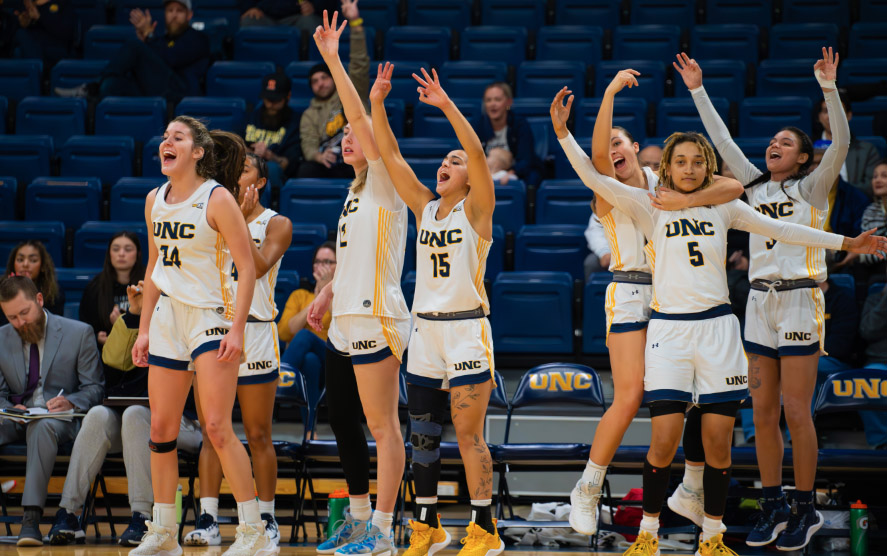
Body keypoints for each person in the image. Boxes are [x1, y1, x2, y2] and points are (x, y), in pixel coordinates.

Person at [553, 88, 886, 555]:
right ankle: (647, 534)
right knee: (664, 440)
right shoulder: (650, 204)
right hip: (668, 329)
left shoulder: (726, 205)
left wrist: (851, 241)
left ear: (707, 168)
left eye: (696, 161)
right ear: (666, 169)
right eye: (681, 161)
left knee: (718, 442)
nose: (688, 168)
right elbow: (593, 175)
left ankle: (711, 535)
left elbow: (786, 229)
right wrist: (564, 133)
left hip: (719, 329)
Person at [555, 71, 743, 538]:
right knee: (631, 395)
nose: (613, 151)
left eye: (621, 142)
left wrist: (690, 199)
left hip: (674, 296)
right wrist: (611, 94)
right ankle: (588, 486)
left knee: (699, 390)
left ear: (638, 147)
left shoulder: (669, 181)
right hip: (628, 290)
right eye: (609, 145)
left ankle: (693, 484)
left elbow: (730, 186)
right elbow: (597, 156)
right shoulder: (608, 189)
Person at [676, 48, 850, 550]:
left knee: (798, 410)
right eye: (773, 140)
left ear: (801, 157)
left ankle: (805, 505)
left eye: (786, 142)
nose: (775, 144)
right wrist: (697, 89)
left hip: (798, 300)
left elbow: (840, 141)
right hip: (757, 304)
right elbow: (722, 140)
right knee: (763, 412)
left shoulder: (814, 188)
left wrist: (829, 88)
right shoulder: (751, 186)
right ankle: (773, 502)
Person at [372, 62, 503, 556]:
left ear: (470, 175)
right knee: (422, 435)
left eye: (455, 160)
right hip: (424, 332)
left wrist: (447, 106)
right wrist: (379, 102)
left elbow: (476, 153)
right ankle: (427, 526)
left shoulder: (478, 208)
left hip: (467, 330)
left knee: (468, 435)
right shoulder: (425, 207)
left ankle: (485, 530)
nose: (446, 163)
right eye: (443, 159)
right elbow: (388, 153)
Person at [127, 117, 274, 556]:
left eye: (178, 137)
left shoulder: (218, 197)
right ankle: (163, 531)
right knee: (160, 428)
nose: (166, 142)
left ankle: (253, 531)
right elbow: (155, 269)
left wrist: (236, 328)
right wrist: (145, 329)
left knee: (215, 425)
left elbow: (247, 268)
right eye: (165, 136)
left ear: (196, 153)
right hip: (169, 318)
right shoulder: (155, 198)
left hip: (211, 315)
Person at [306, 11, 410, 556]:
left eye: (355, 132)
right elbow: (347, 258)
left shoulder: (388, 181)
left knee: (382, 425)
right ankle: (360, 517)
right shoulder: (351, 194)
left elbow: (360, 115)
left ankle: (385, 532)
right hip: (344, 317)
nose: (348, 136)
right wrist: (325, 293)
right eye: (343, 134)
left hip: (377, 316)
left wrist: (332, 59)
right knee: (343, 419)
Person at [186, 150, 292, 548]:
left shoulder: (277, 223)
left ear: (260, 182)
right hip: (213, 328)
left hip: (256, 332)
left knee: (258, 433)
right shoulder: (212, 214)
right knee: (213, 430)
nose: (236, 174)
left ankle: (265, 519)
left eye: (245, 169)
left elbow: (259, 266)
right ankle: (209, 518)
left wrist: (243, 222)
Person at [46, 280, 202, 547]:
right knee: (98, 414)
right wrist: (133, 315)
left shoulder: (190, 320)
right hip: (138, 426)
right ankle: (68, 514)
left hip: (184, 423)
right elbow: (113, 358)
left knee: (135, 415)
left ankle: (141, 517)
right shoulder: (133, 321)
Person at [0, 275, 104, 546]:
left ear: (39, 300)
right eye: (12, 318)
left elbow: (94, 389)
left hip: (59, 421)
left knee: (42, 426)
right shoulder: (1, 338)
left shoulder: (79, 332)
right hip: (16, 417)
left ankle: (30, 520)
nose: (20, 323)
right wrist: (10, 407)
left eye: (25, 313)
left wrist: (70, 401)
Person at [55, 0, 210, 101]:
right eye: (170, 10)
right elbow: (158, 56)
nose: (174, 15)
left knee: (134, 46)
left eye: (179, 11)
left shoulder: (197, 38)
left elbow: (171, 58)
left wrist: (148, 38)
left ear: (189, 15)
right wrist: (148, 41)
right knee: (112, 84)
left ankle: (91, 87)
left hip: (180, 93)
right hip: (155, 90)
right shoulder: (162, 40)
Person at [298, 0, 368, 179]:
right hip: (330, 162)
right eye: (315, 81)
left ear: (333, 78)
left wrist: (355, 23)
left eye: (324, 77)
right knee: (306, 170)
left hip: (362, 157)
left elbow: (359, 65)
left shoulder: (351, 94)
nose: (320, 83)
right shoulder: (309, 114)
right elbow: (308, 145)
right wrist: (319, 156)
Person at [278, 241, 336, 411]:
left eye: (328, 262)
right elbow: (284, 332)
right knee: (310, 361)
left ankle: (280, 381)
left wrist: (327, 292)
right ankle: (310, 429)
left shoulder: (345, 296)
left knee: (304, 336)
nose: (321, 267)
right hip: (312, 364)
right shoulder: (300, 295)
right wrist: (316, 297)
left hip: (335, 359)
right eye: (318, 262)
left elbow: (345, 328)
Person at [79, 232, 146, 350]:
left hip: (144, 353)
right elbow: (85, 326)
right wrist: (97, 338)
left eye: (128, 249)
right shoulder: (95, 287)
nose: (121, 254)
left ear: (138, 254)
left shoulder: (148, 284)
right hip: (108, 355)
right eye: (115, 249)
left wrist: (122, 326)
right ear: (109, 253)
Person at [473, 82, 542, 186]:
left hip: (515, 170)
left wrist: (511, 173)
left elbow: (525, 159)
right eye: (488, 100)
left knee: (533, 177)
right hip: (487, 170)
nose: (493, 104)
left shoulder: (519, 124)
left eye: (497, 99)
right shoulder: (478, 125)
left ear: (508, 102)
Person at [245, 72, 302, 189]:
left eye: (276, 100)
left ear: (288, 97)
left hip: (277, 178)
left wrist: (269, 155)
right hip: (248, 166)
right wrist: (250, 152)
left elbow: (288, 164)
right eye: (267, 99)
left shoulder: (295, 122)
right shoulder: (253, 115)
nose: (271, 104)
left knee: (271, 168)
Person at [816, 97, 881, 197]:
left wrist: (839, 192)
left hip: (853, 206)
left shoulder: (867, 150)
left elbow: (871, 186)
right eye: (826, 111)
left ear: (849, 116)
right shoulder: (808, 149)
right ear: (820, 117)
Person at [2, 240, 64, 325]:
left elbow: (54, 327)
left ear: (42, 266)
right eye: (20, 260)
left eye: (33, 260)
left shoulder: (54, 293)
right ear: (13, 264)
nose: (25, 264)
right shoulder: (1, 288)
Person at [858, 276, 887, 448]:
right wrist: (885, 301)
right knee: (868, 378)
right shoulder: (876, 297)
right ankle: (881, 442)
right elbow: (867, 331)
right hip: (881, 363)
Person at [13, 0, 76, 71]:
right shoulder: (26, 3)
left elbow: (66, 32)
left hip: (55, 45)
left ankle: (37, 74)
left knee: (21, 39)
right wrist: (23, 21)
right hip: (32, 44)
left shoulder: (63, 3)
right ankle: (38, 74)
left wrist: (39, 17)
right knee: (20, 36)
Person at [240, 0, 333, 31]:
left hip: (300, 17)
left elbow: (328, 4)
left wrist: (314, 7)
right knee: (249, 20)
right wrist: (250, 7)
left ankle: (312, 66)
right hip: (265, 16)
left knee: (312, 23)